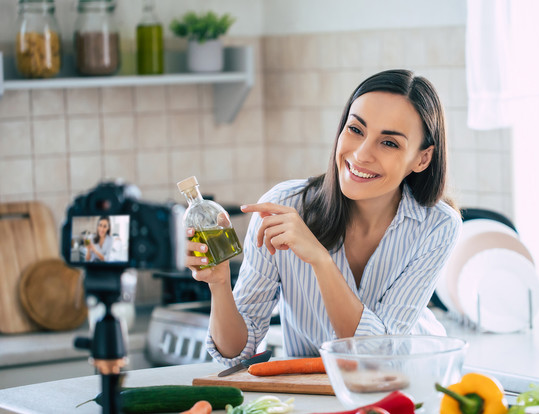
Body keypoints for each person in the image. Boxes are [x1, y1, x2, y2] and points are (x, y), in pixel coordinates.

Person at [186, 69, 462, 364]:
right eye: (356, 130)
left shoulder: (437, 225)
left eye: (389, 143)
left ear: (422, 159)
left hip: (409, 387)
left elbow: (376, 354)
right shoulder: (281, 206)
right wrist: (219, 284)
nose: (360, 155)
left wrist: (320, 259)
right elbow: (235, 355)